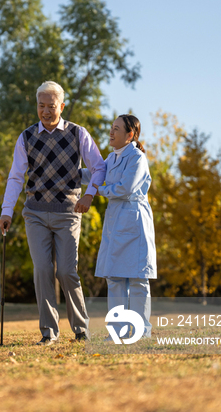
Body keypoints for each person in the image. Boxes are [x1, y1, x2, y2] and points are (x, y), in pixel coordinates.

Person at [0, 81, 106, 345]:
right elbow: (15, 177)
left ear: (62, 106)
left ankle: (81, 329)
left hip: (68, 212)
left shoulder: (78, 134)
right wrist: (6, 211)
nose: (45, 111)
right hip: (34, 213)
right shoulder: (26, 137)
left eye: (51, 106)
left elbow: (100, 167)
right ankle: (48, 332)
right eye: (41, 106)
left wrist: (89, 194)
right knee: (42, 270)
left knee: (67, 272)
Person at [83, 114, 156, 339]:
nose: (111, 133)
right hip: (115, 220)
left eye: (116, 129)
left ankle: (141, 331)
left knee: (136, 279)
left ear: (130, 135)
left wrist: (96, 191)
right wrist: (72, 175)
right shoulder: (111, 158)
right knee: (114, 277)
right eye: (111, 128)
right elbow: (96, 174)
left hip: (134, 220)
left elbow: (125, 189)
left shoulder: (136, 158)